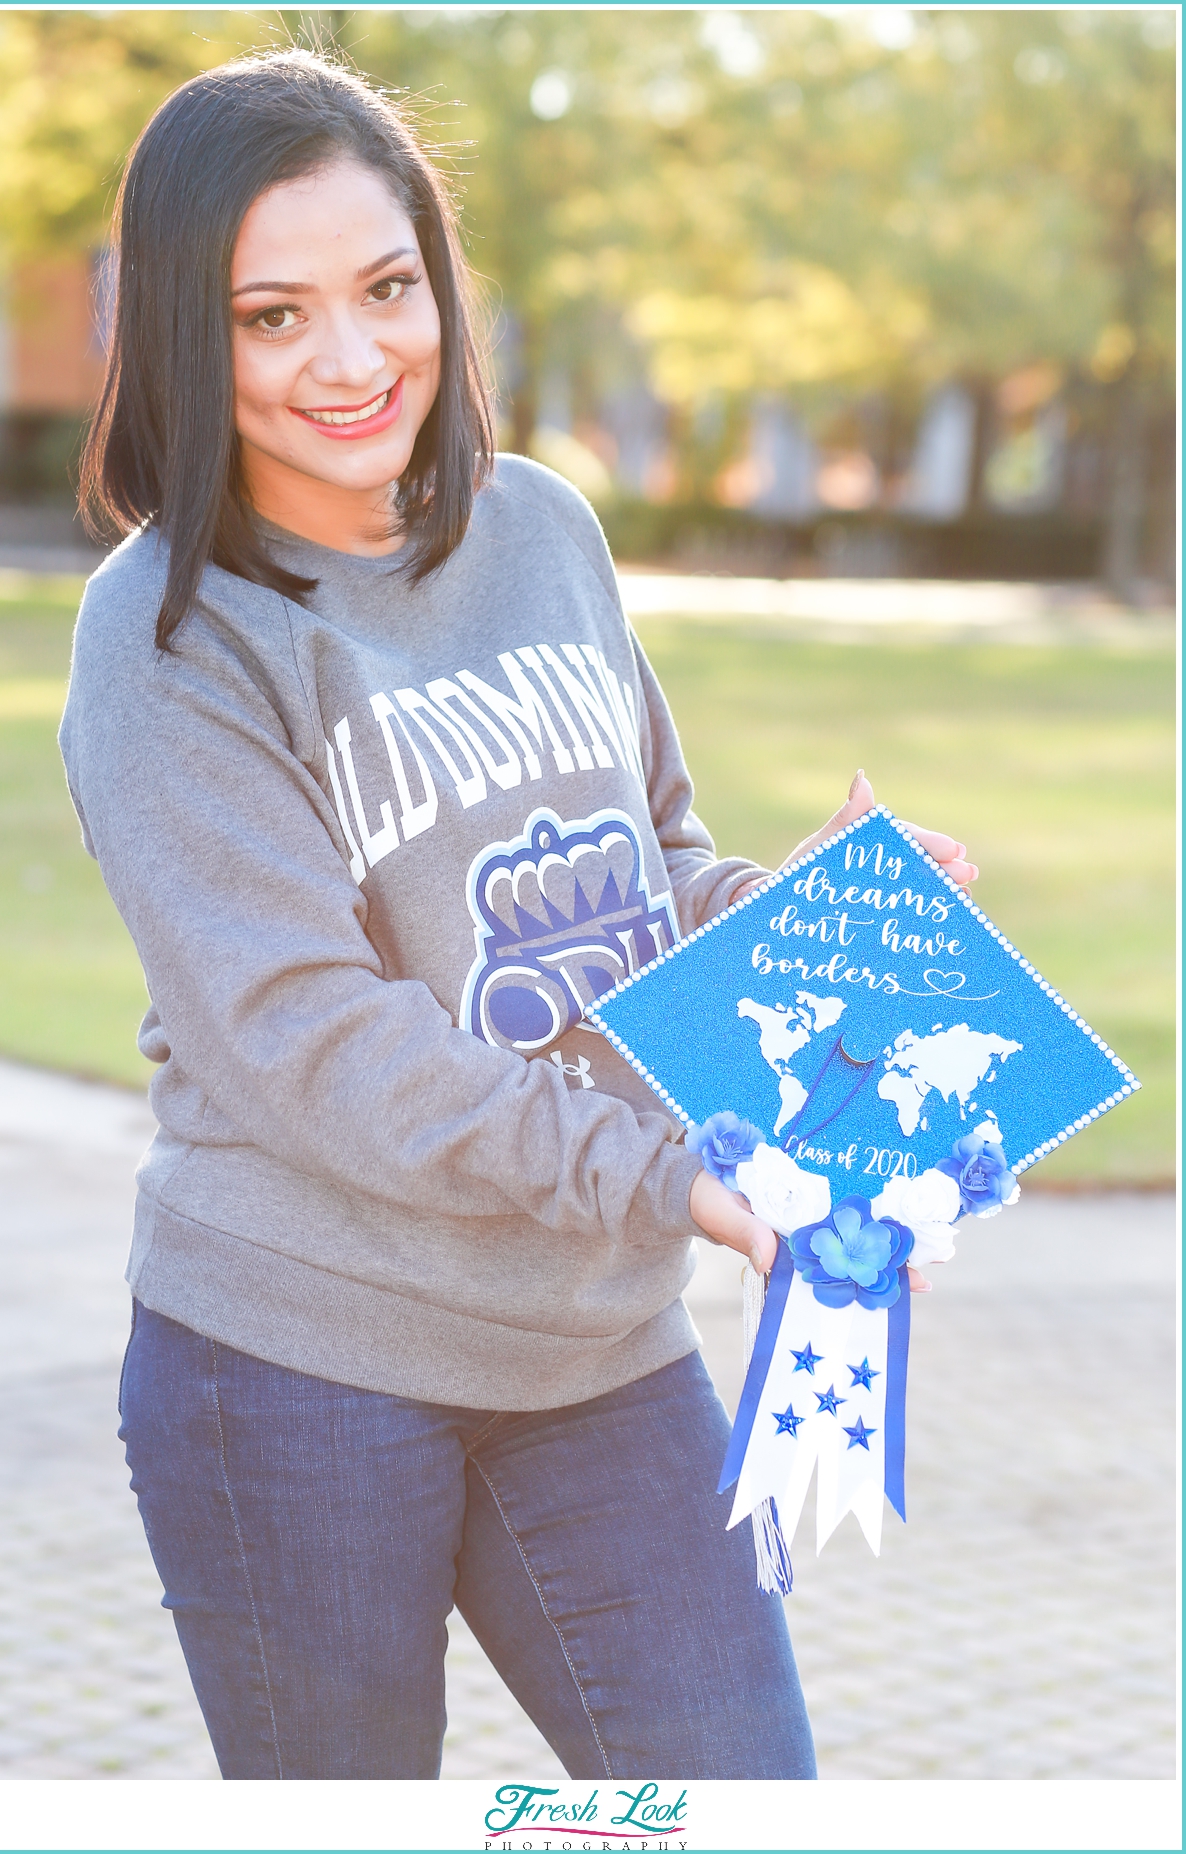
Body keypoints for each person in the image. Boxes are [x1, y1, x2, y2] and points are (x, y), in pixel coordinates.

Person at [60, 49, 977, 1782]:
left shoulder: (544, 527)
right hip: (297, 1363)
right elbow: (313, 1046)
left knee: (737, 1802)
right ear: (193, 331)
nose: (352, 358)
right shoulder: (164, 638)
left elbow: (655, 870)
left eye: (387, 287)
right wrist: (670, 1176)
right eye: (274, 315)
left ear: (438, 283)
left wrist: (819, 922)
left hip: (596, 1343)